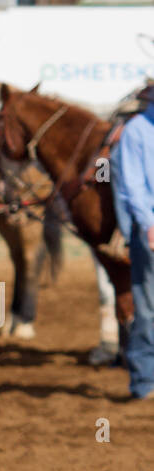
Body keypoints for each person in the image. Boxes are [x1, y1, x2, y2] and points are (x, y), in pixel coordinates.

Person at [114, 81, 154, 399]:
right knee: (148, 306)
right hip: (151, 226)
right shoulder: (137, 131)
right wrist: (148, 222)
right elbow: (133, 183)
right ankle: (144, 382)